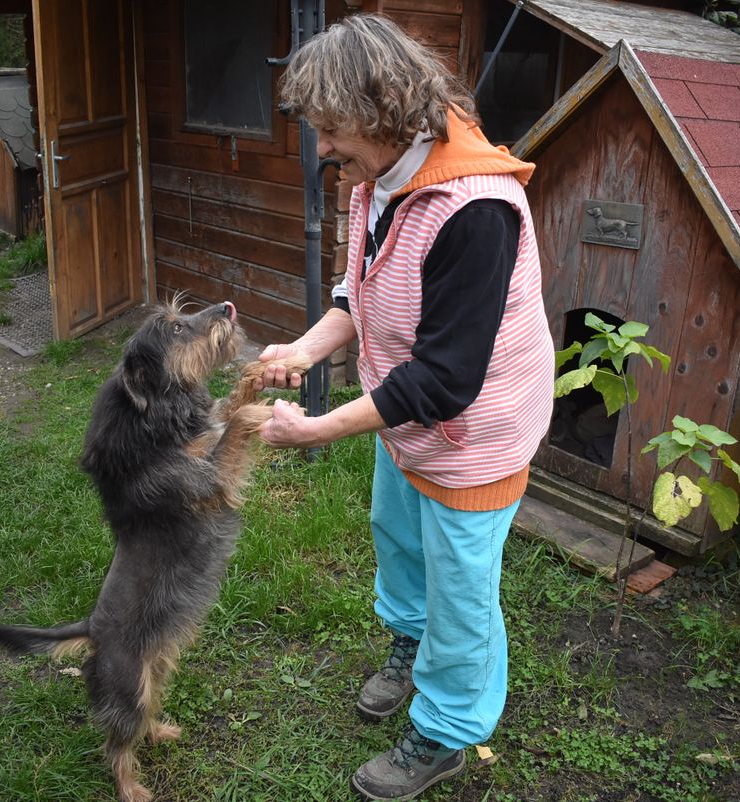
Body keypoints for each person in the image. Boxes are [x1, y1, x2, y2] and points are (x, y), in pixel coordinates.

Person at [257, 13, 555, 802]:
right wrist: (304, 350)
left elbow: (446, 381)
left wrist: (321, 427)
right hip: (408, 426)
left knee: (463, 592)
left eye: (330, 128)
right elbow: (362, 287)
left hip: (472, 435)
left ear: (383, 108)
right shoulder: (382, 179)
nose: (321, 148)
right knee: (400, 542)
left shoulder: (476, 209)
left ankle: (447, 730)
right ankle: (409, 647)